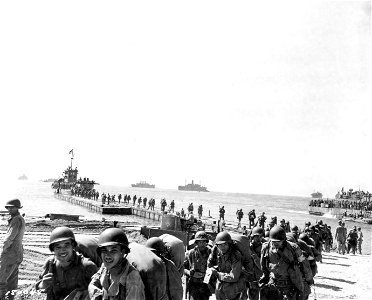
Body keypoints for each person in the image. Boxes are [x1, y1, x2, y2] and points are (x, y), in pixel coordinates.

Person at [36, 226, 98, 300]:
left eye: (66, 245)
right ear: (53, 250)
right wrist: (42, 285)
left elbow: (100, 292)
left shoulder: (87, 266)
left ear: (73, 246)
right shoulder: (50, 264)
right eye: (58, 247)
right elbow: (38, 285)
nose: (63, 250)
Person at [89, 228, 145, 300]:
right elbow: (93, 283)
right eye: (104, 250)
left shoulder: (132, 278)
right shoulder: (105, 267)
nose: (108, 256)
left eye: (113, 251)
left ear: (122, 252)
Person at [259, 225, 307, 300]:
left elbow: (304, 264)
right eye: (273, 241)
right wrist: (265, 276)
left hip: (290, 284)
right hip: (273, 284)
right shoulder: (266, 247)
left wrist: (308, 278)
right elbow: (263, 265)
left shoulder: (294, 248)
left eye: (278, 242)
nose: (275, 244)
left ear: (284, 240)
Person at [207, 232, 245, 300]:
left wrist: (218, 274)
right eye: (220, 245)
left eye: (225, 244)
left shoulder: (236, 255)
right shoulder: (216, 251)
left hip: (233, 289)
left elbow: (234, 277)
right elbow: (210, 265)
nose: (222, 247)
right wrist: (213, 268)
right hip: (220, 287)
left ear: (229, 244)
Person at [0, 199, 25, 300]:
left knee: (1, 280)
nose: (9, 209)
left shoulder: (16, 220)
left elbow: (9, 238)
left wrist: (3, 251)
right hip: (17, 253)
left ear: (17, 208)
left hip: (10, 254)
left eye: (12, 207)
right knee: (12, 280)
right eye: (8, 207)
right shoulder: (19, 218)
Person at [184, 231, 212, 300]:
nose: (202, 244)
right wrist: (191, 273)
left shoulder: (211, 253)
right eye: (200, 242)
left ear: (206, 242)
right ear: (196, 242)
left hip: (205, 286)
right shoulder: (190, 253)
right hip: (194, 285)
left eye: (204, 242)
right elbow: (183, 268)